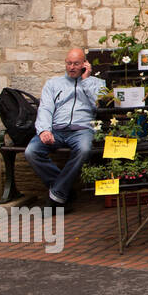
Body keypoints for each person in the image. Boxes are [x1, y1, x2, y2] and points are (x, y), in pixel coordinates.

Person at [24, 47, 107, 210]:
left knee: (84, 150)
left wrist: (86, 81)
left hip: (82, 129)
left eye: (76, 64)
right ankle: (63, 192)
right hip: (56, 129)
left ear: (85, 64)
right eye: (69, 63)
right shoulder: (53, 84)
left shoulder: (97, 84)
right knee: (31, 152)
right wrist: (44, 130)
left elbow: (99, 105)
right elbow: (46, 108)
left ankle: (56, 197)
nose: (72, 67)